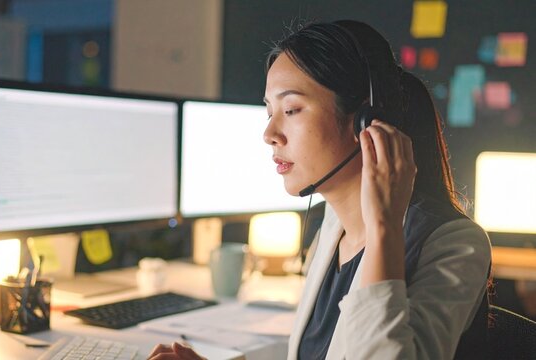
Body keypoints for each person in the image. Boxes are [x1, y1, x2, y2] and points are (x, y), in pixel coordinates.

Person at [148, 20, 491, 360]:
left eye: (291, 109)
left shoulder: (454, 244)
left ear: (366, 121)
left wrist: (383, 228)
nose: (269, 133)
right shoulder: (332, 226)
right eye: (269, 112)